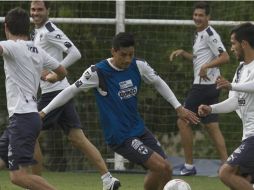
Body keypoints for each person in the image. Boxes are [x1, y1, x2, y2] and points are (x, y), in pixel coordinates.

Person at [39, 32, 200, 190]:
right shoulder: (97, 72)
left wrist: (178, 107)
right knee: (159, 166)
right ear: (113, 51)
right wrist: (44, 112)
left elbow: (158, 82)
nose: (127, 59)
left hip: (139, 129)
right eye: (123, 55)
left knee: (166, 169)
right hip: (120, 136)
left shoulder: (139, 65)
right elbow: (70, 91)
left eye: (131, 55)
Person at [30, 1, 120, 189]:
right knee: (77, 138)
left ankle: (35, 184)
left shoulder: (49, 30)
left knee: (28, 132)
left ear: (48, 11)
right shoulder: (37, 31)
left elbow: (75, 53)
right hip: (59, 92)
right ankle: (108, 179)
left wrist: (56, 73)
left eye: (40, 9)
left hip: (55, 93)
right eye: (33, 9)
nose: (36, 13)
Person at [0, 7, 67, 190]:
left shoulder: (11, 46)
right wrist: (51, 77)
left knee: (18, 177)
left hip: (22, 118)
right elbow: (62, 71)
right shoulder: (37, 49)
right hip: (27, 117)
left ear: (6, 27)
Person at [169, 1, 229, 176]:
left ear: (208, 17)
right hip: (211, 86)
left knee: (182, 120)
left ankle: (188, 166)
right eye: (195, 15)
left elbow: (225, 57)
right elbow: (200, 58)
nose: (197, 18)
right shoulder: (199, 34)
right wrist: (184, 53)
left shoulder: (210, 33)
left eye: (201, 15)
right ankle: (227, 166)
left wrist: (206, 67)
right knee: (212, 125)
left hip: (203, 86)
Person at [198, 22, 254, 190]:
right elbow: (235, 101)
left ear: (244, 43)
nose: (231, 48)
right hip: (248, 134)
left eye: (233, 43)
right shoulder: (241, 69)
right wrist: (211, 108)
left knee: (226, 173)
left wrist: (232, 86)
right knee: (237, 179)